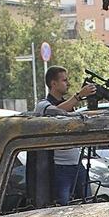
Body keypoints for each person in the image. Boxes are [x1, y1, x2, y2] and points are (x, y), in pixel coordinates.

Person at [33, 66, 87, 204]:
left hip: (77, 163)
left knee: (88, 202)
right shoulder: (43, 105)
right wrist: (79, 96)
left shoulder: (69, 105)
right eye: (64, 80)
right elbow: (57, 112)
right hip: (59, 167)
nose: (68, 83)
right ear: (53, 83)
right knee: (61, 207)